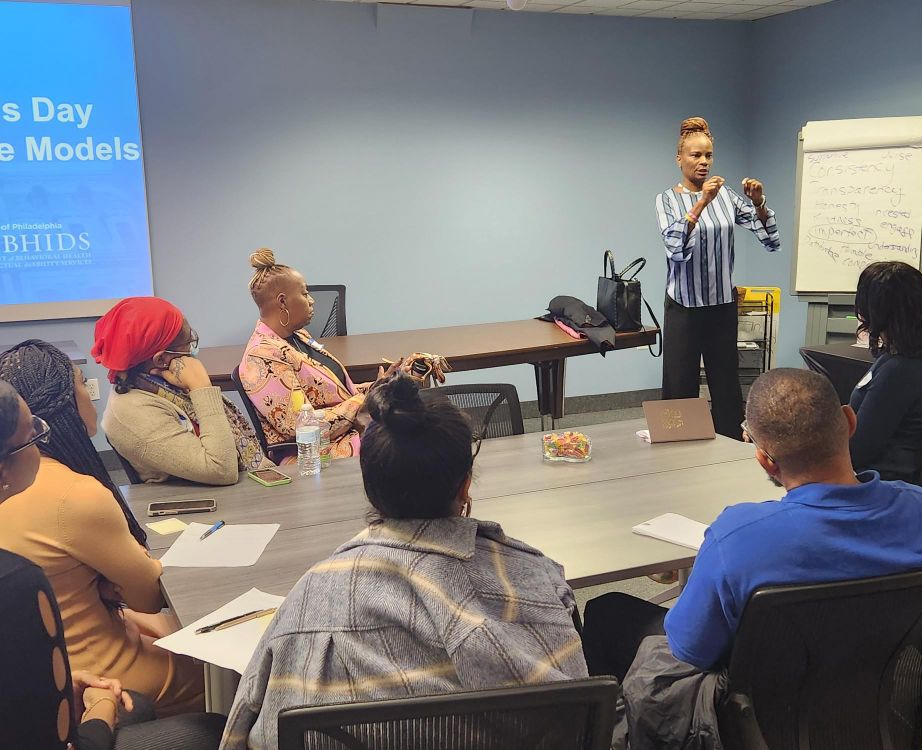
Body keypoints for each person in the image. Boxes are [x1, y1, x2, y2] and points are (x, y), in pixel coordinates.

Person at [582, 368, 922, 747]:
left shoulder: (738, 539)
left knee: (607, 611)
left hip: (766, 722)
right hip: (888, 711)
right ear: (849, 421)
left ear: (764, 459)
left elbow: (689, 652)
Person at [220, 374, 588, 749]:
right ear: (465, 487)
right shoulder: (537, 581)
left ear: (369, 486)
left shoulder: (307, 601)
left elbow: (247, 731)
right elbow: (581, 721)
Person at [0, 382, 225, 749]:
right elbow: (149, 596)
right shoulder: (22, 573)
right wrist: (101, 708)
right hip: (97, 674)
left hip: (65, 668)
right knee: (222, 690)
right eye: (33, 434)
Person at [239, 248, 448, 462]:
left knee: (431, 423)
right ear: (282, 302)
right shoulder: (263, 356)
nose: (311, 301)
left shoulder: (297, 337)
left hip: (346, 434)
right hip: (317, 454)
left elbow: (336, 395)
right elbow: (301, 425)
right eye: (304, 294)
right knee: (421, 440)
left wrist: (383, 384)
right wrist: (365, 398)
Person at [655, 116, 780, 440]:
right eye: (696, 155)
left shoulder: (725, 196)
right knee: (680, 382)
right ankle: (674, 449)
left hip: (722, 304)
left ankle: (729, 446)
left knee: (725, 383)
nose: (703, 162)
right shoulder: (667, 199)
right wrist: (701, 204)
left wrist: (759, 204)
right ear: (679, 158)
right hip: (684, 305)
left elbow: (768, 239)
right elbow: (675, 247)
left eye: (708, 155)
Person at [93, 296, 271, 484]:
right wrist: (201, 387)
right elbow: (220, 469)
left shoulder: (159, 384)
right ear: (160, 359)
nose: (193, 348)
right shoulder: (132, 412)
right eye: (189, 341)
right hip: (206, 502)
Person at [849, 260, 922, 484]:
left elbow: (857, 452)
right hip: (886, 480)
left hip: (876, 484)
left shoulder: (901, 371)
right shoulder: (914, 356)